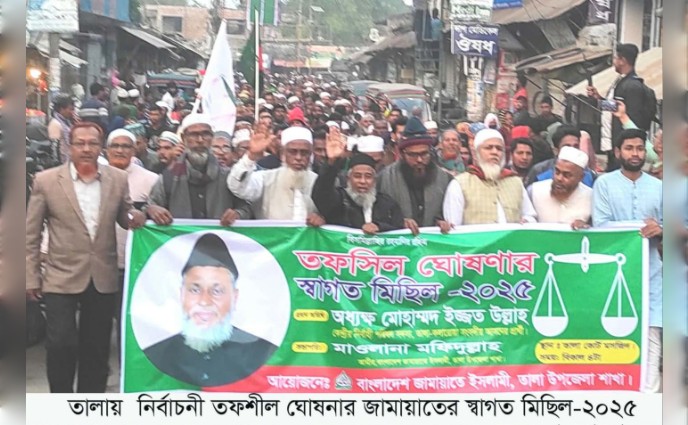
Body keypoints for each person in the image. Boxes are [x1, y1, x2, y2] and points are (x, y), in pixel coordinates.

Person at [26, 121, 146, 393]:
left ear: (101, 147)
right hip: (60, 276)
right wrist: (30, 277)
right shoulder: (46, 180)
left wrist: (137, 215)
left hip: (102, 276)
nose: (86, 149)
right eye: (80, 143)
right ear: (69, 147)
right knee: (60, 343)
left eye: (92, 143)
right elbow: (31, 233)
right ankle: (61, 401)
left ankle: (90, 404)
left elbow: (125, 216)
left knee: (96, 348)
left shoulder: (117, 179)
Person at [143, 233, 278, 386]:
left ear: (234, 297)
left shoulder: (265, 354)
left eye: (217, 291)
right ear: (182, 295)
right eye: (195, 290)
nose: (204, 301)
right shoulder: (155, 355)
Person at [592, 128, 663, 393]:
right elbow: (601, 226)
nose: (636, 154)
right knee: (613, 337)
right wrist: (638, 230)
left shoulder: (659, 187)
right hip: (614, 275)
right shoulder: (604, 184)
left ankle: (650, 402)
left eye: (640, 149)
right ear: (617, 152)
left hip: (651, 274)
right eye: (630, 148)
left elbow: (671, 224)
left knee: (651, 337)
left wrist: (660, 229)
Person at [105, 128, 158, 349]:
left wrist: (147, 211)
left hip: (134, 262)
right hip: (102, 262)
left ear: (134, 150)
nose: (120, 150)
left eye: (126, 146)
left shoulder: (151, 179)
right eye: (115, 146)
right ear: (106, 150)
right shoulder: (94, 175)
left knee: (128, 320)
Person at [146, 114, 252, 224]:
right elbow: (150, 206)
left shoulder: (229, 177)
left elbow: (246, 209)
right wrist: (152, 210)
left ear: (212, 138)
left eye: (205, 134)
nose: (200, 140)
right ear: (183, 138)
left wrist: (237, 214)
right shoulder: (168, 178)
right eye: (194, 135)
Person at [228, 125, 324, 225]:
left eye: (304, 153)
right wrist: (251, 157)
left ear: (310, 155)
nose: (298, 157)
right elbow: (237, 187)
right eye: (292, 152)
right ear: (283, 153)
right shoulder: (265, 178)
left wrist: (322, 218)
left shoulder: (319, 182)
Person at [312, 130, 404, 233]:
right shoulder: (339, 200)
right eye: (357, 176)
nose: (363, 181)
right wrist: (331, 162)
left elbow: (399, 231)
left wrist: (380, 227)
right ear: (348, 178)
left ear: (374, 180)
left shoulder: (387, 204)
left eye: (368, 176)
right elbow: (321, 193)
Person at [443, 129, 536, 226]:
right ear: (476, 153)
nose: (495, 152)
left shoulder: (516, 182)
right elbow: (453, 226)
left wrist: (527, 220)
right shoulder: (459, 184)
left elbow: (530, 216)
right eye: (488, 148)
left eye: (499, 149)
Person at [377, 117, 452, 235]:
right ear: (402, 154)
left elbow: (449, 213)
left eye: (424, 154)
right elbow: (378, 216)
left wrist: (441, 222)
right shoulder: (385, 178)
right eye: (413, 155)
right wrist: (399, 221)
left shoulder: (445, 179)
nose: (419, 160)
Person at [587, 43, 648, 171]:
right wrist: (597, 99)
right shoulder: (621, 81)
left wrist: (625, 147)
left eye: (615, 58)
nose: (613, 62)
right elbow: (616, 109)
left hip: (621, 147)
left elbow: (630, 118)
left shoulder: (632, 86)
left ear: (622, 60)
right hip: (612, 145)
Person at [528, 146, 592, 228]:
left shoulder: (591, 197)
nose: (559, 178)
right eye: (557, 172)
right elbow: (527, 219)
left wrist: (585, 226)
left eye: (567, 175)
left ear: (581, 177)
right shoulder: (534, 190)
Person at [525, 125, 596, 188]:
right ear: (556, 150)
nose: (572, 150)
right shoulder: (540, 171)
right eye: (567, 146)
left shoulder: (588, 173)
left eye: (576, 146)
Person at [48, 94, 75, 162]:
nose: (72, 112)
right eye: (70, 109)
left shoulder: (67, 122)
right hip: (63, 161)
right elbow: (54, 148)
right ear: (61, 109)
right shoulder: (55, 124)